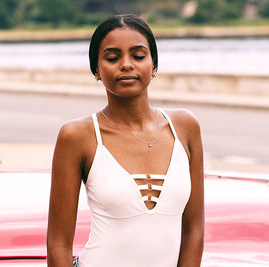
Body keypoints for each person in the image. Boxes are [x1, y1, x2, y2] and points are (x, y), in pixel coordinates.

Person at [47, 14, 204, 267]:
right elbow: (58, 245)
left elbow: (194, 229)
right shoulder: (76, 136)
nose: (126, 65)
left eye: (139, 56)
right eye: (112, 58)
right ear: (96, 70)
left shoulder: (185, 128)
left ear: (154, 65)